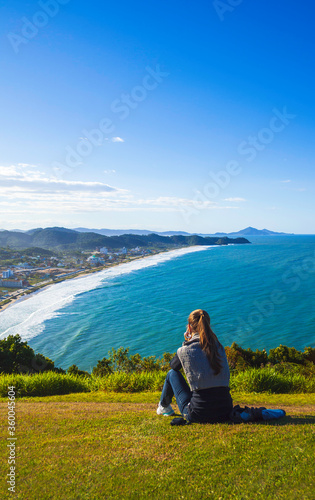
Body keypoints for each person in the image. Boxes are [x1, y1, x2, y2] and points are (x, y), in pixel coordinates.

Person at [157, 309, 233, 423]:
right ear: (208, 324)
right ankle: (164, 407)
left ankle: (164, 407)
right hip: (226, 411)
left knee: (171, 374)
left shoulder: (186, 349)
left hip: (199, 414)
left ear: (189, 327)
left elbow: (173, 366)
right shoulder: (218, 347)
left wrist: (186, 341)